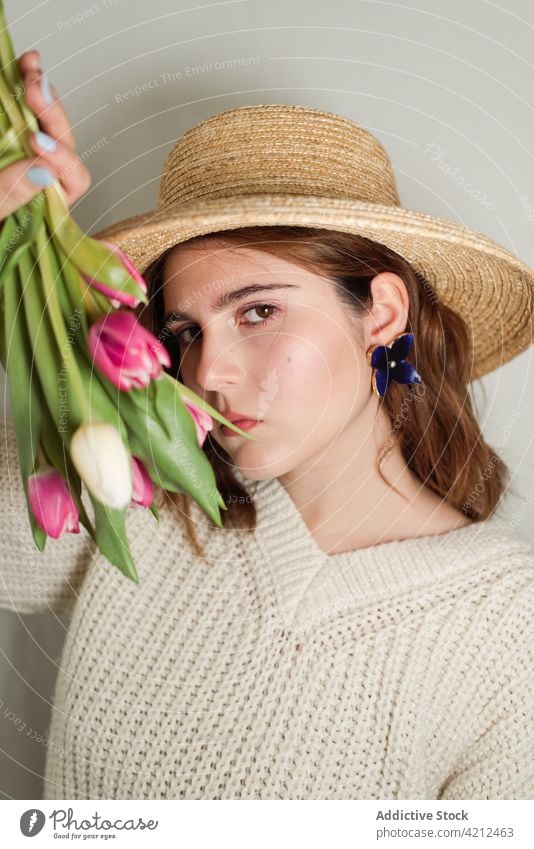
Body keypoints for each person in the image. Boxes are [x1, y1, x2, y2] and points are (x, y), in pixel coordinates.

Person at [0, 50, 533, 801]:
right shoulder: (138, 490)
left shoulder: (508, 629)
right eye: (186, 330)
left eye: (258, 311)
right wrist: (22, 237)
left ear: (381, 312)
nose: (207, 372)